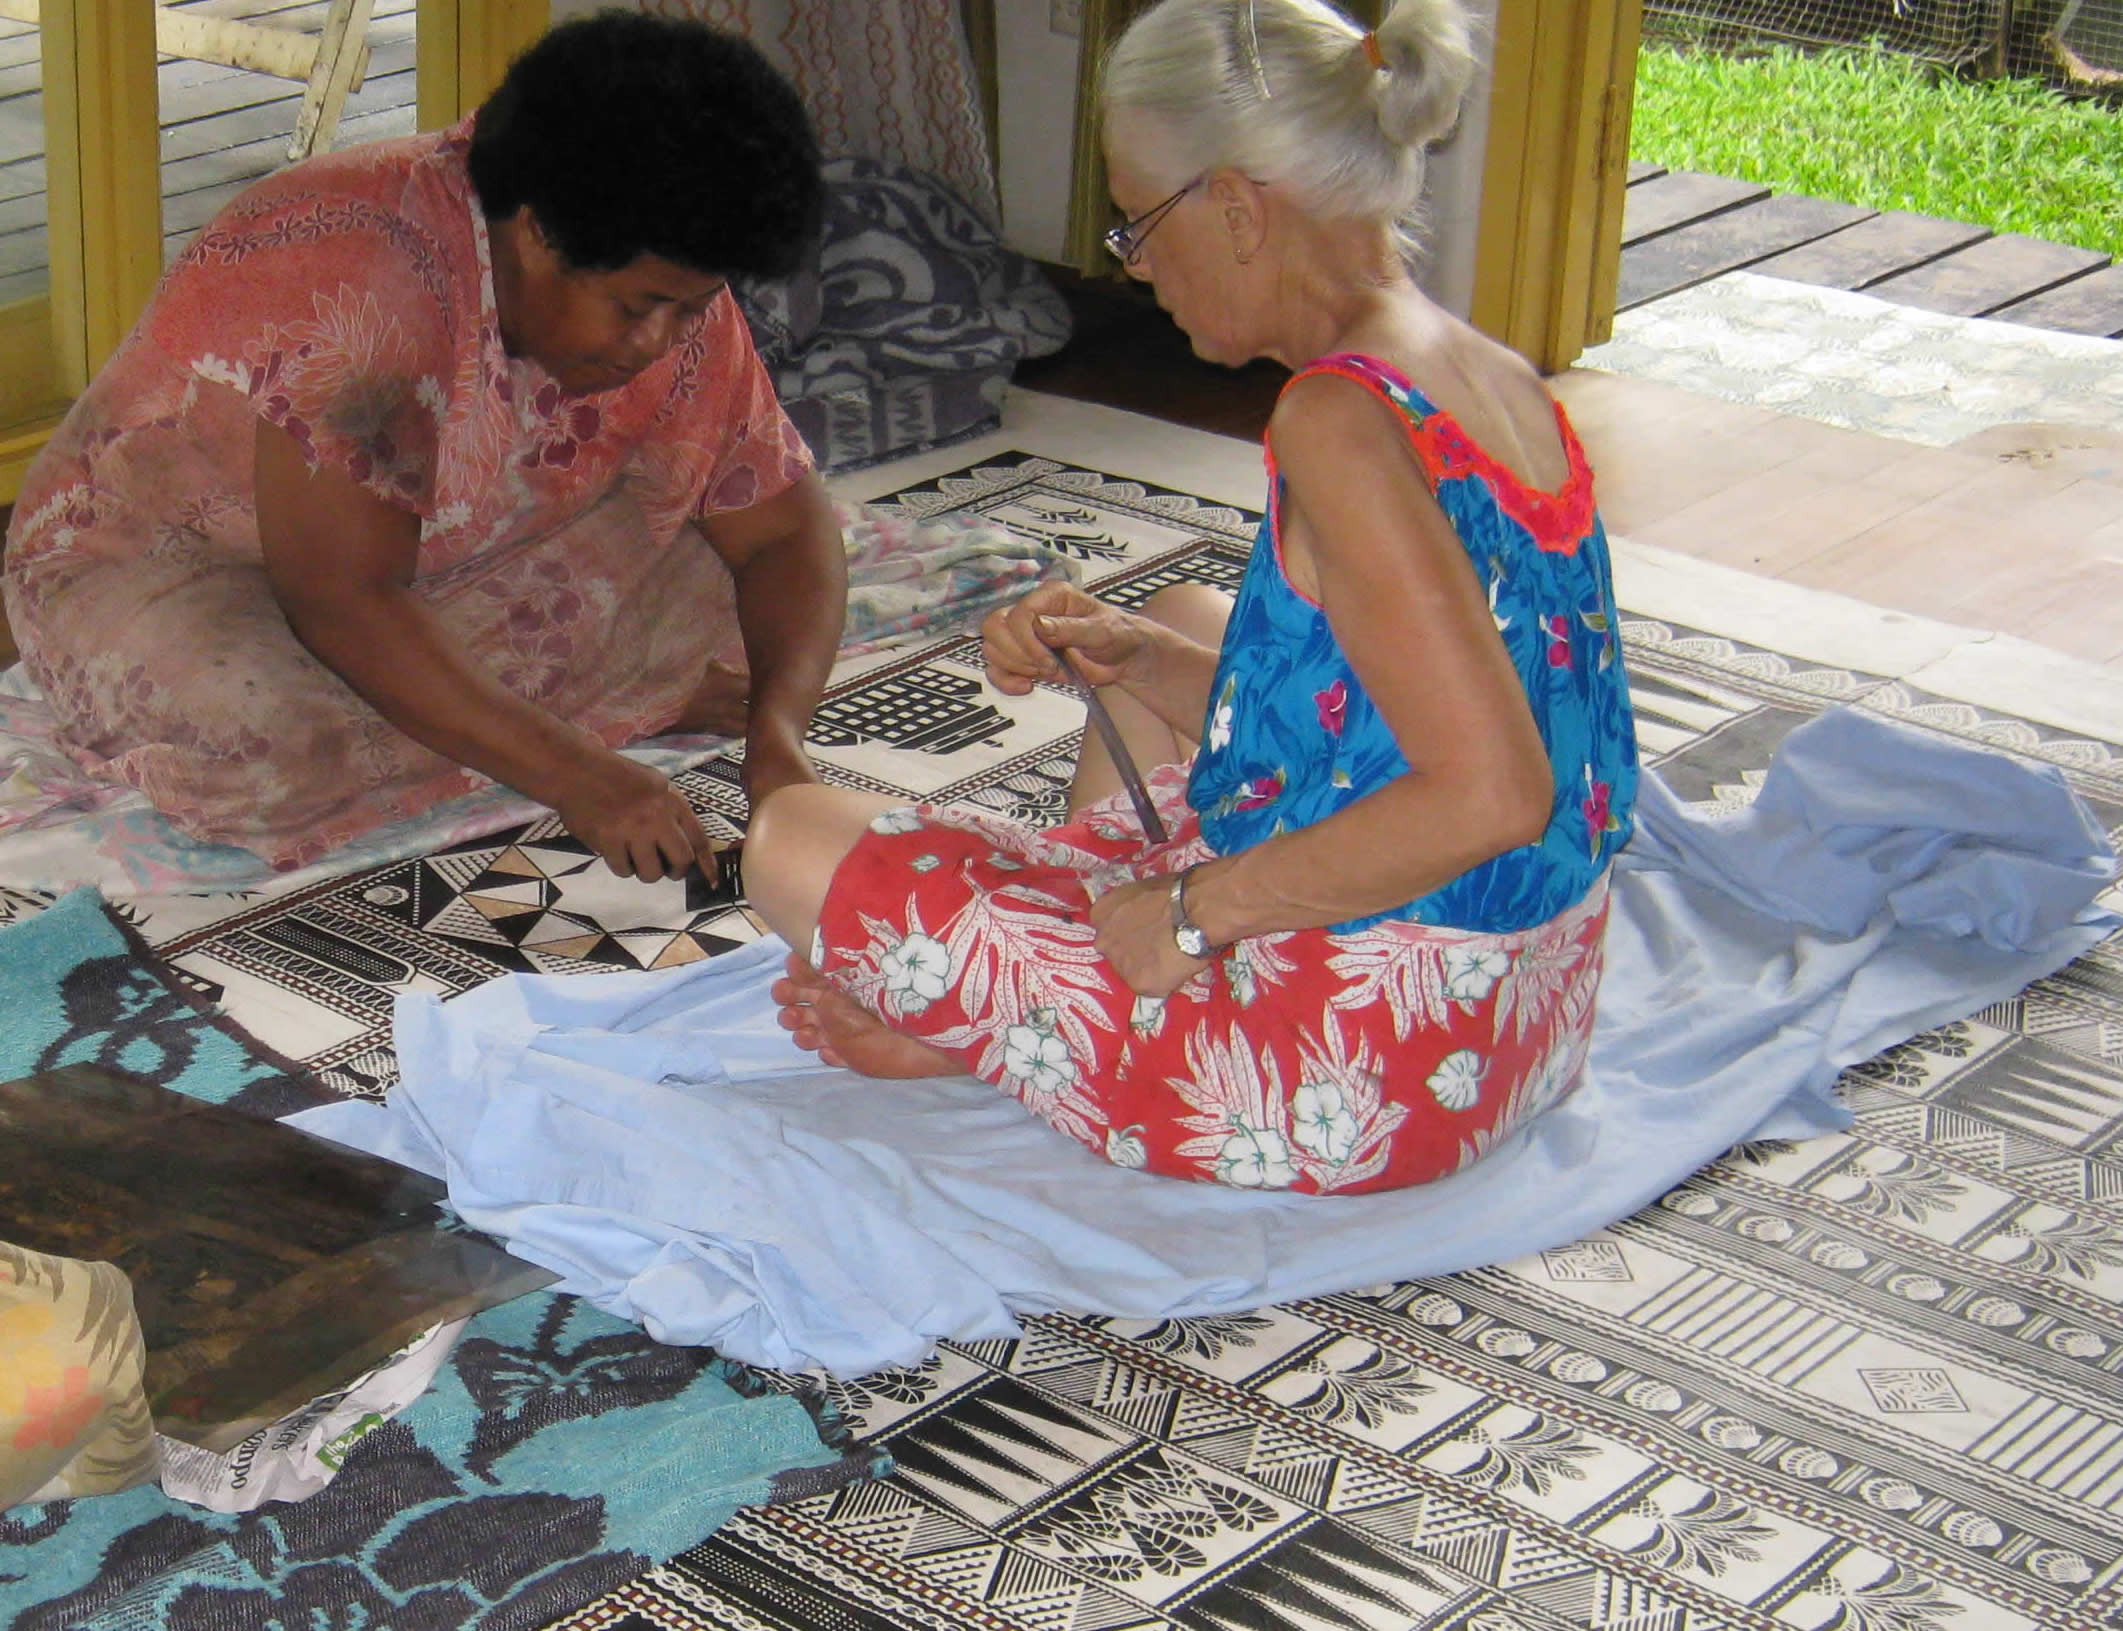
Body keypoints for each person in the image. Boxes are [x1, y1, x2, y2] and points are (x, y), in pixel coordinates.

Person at [745, 0, 1639, 1195]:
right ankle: (1034, 1009)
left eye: (1137, 223)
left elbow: (1490, 791)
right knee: (1176, 624)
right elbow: (1402, 712)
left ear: (1233, 205)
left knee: (790, 837)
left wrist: (1189, 913)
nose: (1137, 262)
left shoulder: (1337, 419)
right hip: (1522, 1017)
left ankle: (1019, 1031)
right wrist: (1132, 658)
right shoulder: (1483, 372)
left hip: (1358, 1074)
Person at [2, 11, 846, 880]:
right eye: (638, 309)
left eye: (693, 306)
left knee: (735, 593)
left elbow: (784, 528)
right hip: (181, 571)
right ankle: (573, 705)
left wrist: (780, 746)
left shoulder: (645, 267)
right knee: (265, 739)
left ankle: (501, 701)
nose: (661, 341)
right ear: (534, 233)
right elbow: (340, 597)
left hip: (438, 554)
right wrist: (579, 772)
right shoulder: (360, 267)